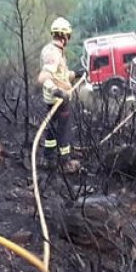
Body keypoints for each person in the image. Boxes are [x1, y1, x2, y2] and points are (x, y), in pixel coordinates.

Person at [37, 17, 81, 174]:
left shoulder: (51, 50)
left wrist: (75, 74)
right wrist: (57, 91)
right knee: (64, 131)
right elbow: (44, 77)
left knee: (52, 129)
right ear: (64, 36)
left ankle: (48, 158)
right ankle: (65, 162)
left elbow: (59, 75)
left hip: (53, 99)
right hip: (59, 100)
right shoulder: (54, 54)